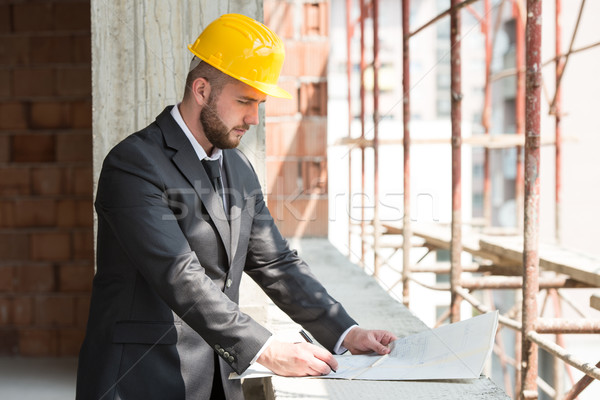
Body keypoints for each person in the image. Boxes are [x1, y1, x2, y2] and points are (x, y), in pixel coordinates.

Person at [76, 13, 396, 400]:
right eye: (244, 100)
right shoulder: (133, 164)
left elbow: (276, 262)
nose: (253, 118)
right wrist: (267, 350)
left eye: (259, 103)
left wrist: (344, 332)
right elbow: (179, 274)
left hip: (218, 382)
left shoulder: (238, 165)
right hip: (139, 380)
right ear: (201, 90)